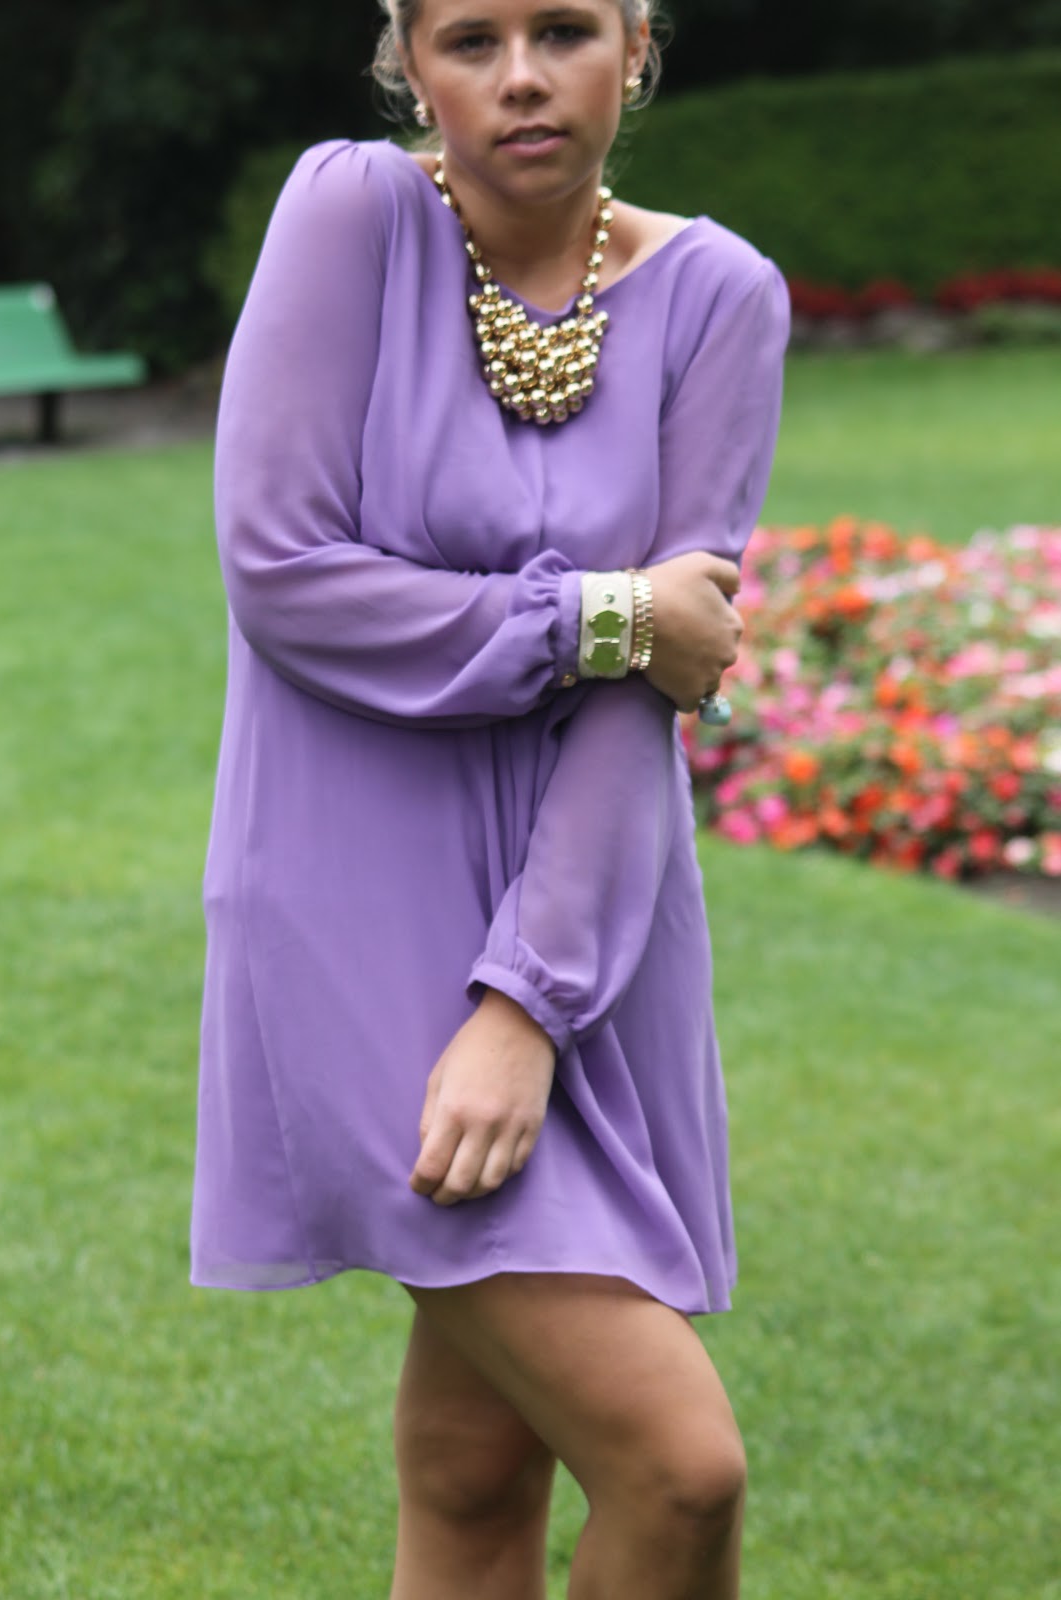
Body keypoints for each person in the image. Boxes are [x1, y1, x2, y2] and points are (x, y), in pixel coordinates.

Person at [190, 0, 789, 1593]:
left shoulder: (719, 295)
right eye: (469, 40)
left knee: (474, 1469)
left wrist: (528, 996)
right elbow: (285, 576)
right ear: (407, 59)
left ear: (636, 45)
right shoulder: (351, 217)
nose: (520, 78)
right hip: (348, 914)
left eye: (563, 29)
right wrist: (605, 614)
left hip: (586, 926)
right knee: (679, 1470)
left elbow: (665, 677)